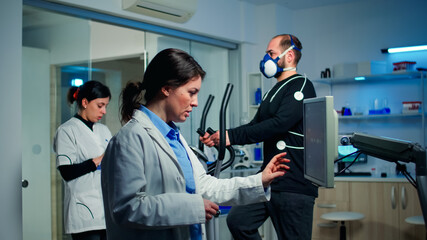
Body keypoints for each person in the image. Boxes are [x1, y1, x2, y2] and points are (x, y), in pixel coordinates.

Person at [100, 48, 291, 240]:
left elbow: (205, 186)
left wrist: (259, 181)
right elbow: (127, 208)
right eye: (191, 93)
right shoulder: (130, 138)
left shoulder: (174, 137)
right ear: (166, 89)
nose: (195, 102)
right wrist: (193, 207)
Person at [200, 34, 317, 240]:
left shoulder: (301, 85)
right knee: (238, 222)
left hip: (293, 183)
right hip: (268, 181)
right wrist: (222, 136)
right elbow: (255, 126)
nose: (266, 60)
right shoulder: (272, 92)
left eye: (271, 54)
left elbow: (279, 124)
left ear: (289, 56)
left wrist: (231, 136)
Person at [53, 80, 112, 240]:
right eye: (100, 105)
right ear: (85, 102)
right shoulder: (67, 131)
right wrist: (98, 160)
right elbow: (66, 172)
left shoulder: (104, 130)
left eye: (106, 106)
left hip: (105, 213)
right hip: (83, 213)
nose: (104, 111)